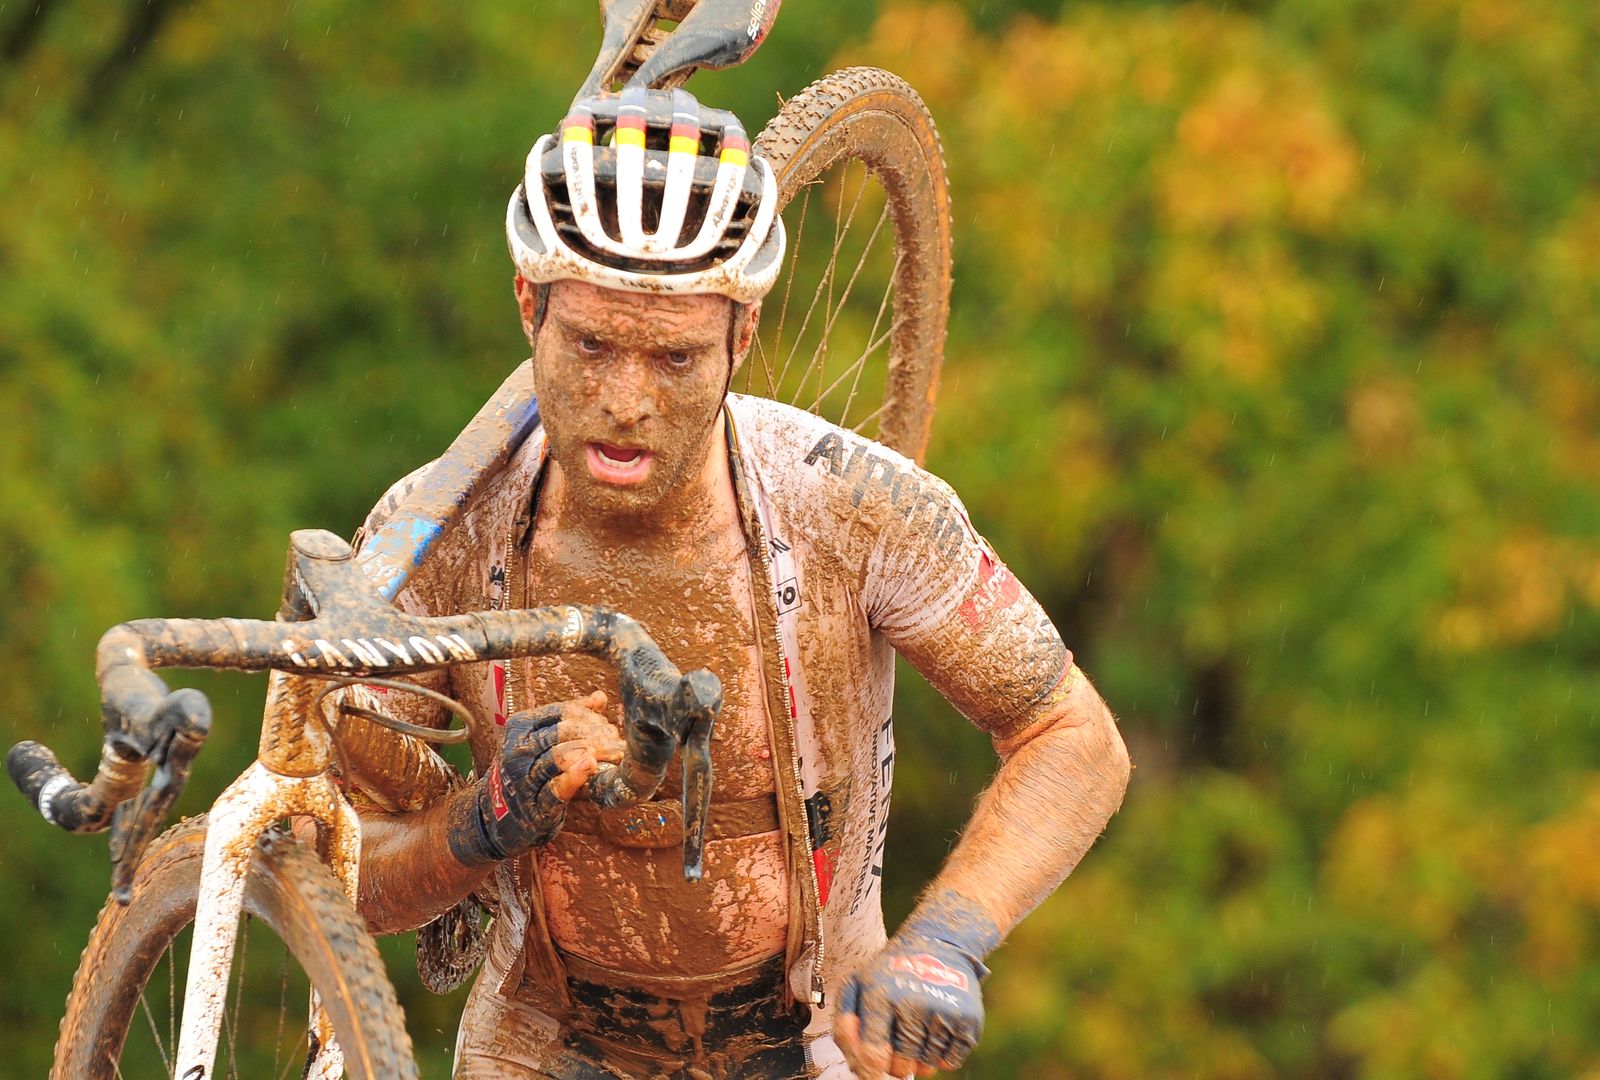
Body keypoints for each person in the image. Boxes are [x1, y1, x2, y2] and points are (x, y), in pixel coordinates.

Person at [330, 87, 1130, 1079]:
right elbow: (339, 878)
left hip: (809, 1044)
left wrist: (947, 941)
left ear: (741, 338)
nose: (626, 401)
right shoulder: (439, 532)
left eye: (674, 356)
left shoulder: (850, 505)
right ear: (528, 305)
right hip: (546, 1046)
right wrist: (483, 820)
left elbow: (1074, 738)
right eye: (590, 345)